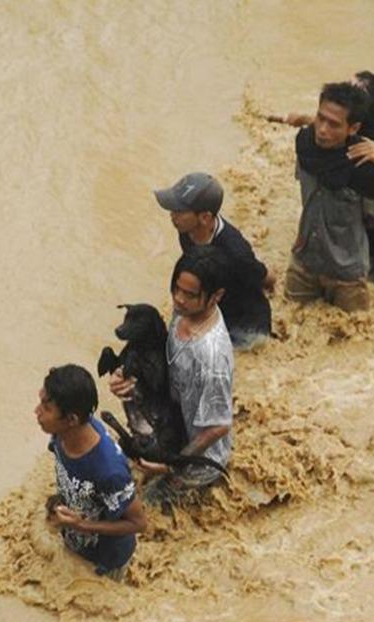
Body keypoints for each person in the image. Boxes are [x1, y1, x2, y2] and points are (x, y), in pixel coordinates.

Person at [109, 246, 235, 509]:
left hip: (196, 459)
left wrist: (171, 463)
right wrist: (127, 375)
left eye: (190, 294)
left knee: (152, 505)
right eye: (176, 289)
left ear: (216, 296)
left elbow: (219, 425)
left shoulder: (213, 358)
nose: (178, 299)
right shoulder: (185, 312)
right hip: (170, 424)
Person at [281, 71, 374, 285]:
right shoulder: (334, 136)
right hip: (356, 238)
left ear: (356, 121)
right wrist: (308, 120)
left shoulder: (373, 151)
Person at [284, 81, 374, 312]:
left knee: (354, 335)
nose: (322, 130)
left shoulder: (364, 168)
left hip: (347, 275)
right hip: (304, 261)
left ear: (352, 128)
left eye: (333, 124)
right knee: (288, 323)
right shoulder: (304, 144)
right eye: (320, 118)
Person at [35, 364, 147, 580]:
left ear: (71, 419)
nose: (37, 412)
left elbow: (139, 523)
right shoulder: (62, 435)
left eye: (46, 408)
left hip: (104, 560)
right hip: (74, 540)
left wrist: (80, 524)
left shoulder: (109, 471)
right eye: (41, 401)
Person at [153, 171, 275, 349]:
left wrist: (271, 281)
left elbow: (262, 276)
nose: (172, 215)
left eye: (179, 211)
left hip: (245, 326)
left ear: (205, 218)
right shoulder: (187, 231)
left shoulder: (236, 253)